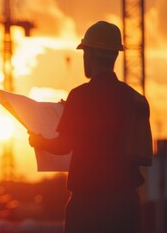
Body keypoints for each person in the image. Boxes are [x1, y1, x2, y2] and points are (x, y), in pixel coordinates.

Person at [28, 21, 152, 233]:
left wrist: (38, 140)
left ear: (89, 55)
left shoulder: (80, 96)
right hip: (125, 207)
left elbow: (63, 146)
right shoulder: (136, 100)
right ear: (115, 56)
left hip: (87, 206)